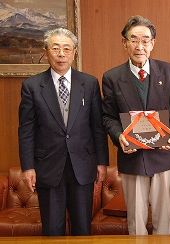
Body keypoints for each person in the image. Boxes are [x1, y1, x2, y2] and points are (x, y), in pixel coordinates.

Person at [18, 28, 109, 236]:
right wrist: (27, 167)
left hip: (82, 167)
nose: (61, 54)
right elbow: (26, 130)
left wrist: (102, 161)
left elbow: (97, 126)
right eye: (56, 48)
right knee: (52, 229)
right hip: (48, 167)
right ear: (46, 51)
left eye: (66, 48)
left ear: (74, 52)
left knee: (82, 228)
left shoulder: (89, 83)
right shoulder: (31, 86)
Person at [102, 15, 170, 235]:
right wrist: (118, 135)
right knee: (136, 223)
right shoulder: (112, 77)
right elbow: (108, 116)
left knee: (165, 220)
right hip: (132, 158)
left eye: (145, 40)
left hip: (162, 156)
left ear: (153, 43)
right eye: (134, 39)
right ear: (124, 43)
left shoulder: (168, 72)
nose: (140, 46)